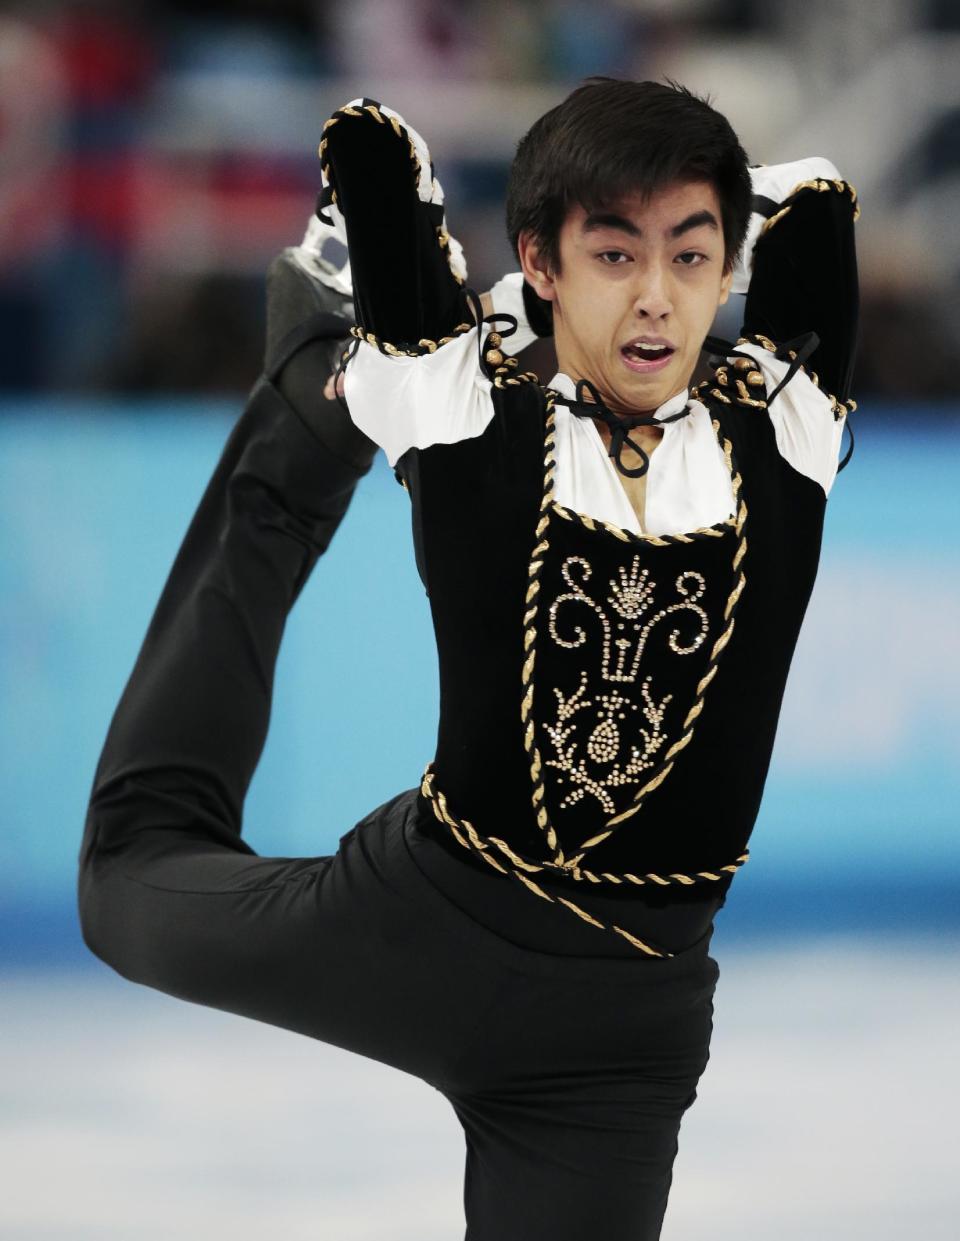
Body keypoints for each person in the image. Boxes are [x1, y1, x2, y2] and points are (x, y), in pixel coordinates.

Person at [78, 78, 858, 1240]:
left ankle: (330, 382)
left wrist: (649, 239)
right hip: (418, 930)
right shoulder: (474, 410)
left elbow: (820, 204)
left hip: (620, 1038)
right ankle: (306, 418)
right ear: (543, 261)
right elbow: (366, 141)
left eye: (694, 260)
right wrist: (482, 297)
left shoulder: (784, 429)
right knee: (124, 883)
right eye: (613, 256)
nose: (657, 297)